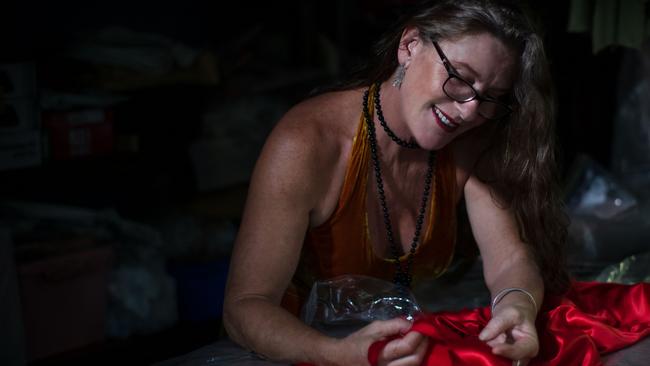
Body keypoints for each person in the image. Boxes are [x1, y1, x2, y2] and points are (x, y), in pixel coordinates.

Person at [223, 0, 570, 365]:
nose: (469, 109)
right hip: (289, 353)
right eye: (460, 78)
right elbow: (245, 306)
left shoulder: (471, 143)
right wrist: (335, 354)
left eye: (490, 97)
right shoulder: (307, 144)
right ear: (409, 46)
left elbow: (510, 259)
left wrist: (516, 308)